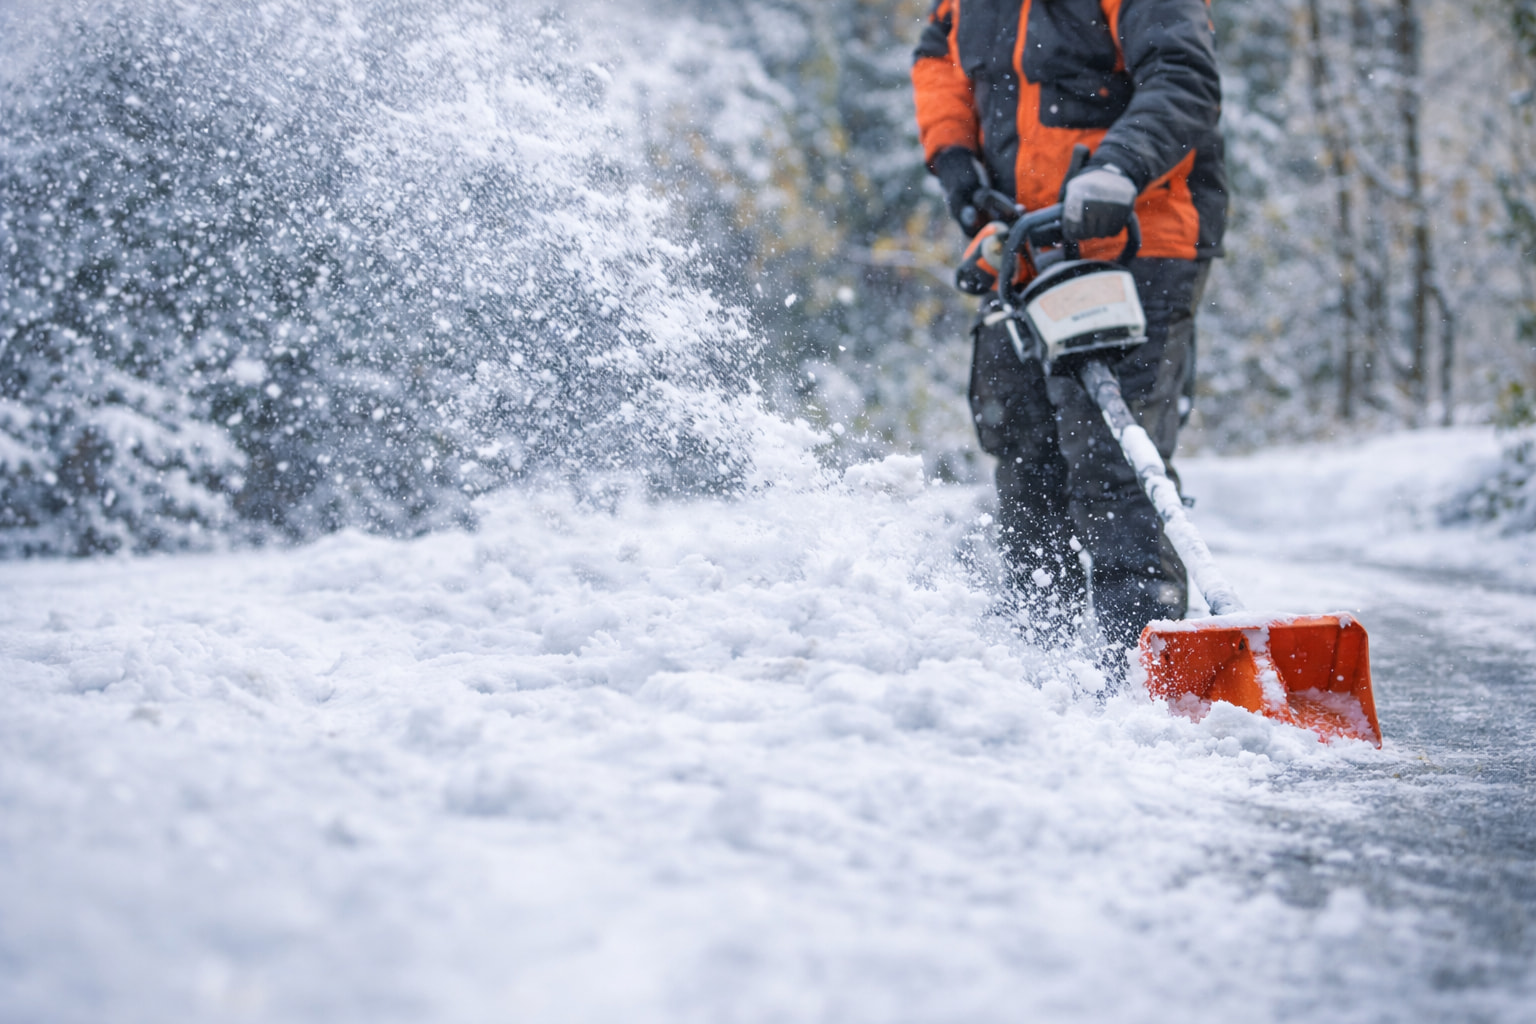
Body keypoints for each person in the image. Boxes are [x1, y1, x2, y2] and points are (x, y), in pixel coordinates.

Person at [912, 0, 1227, 651]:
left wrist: (1119, 166)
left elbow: (1183, 75)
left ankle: (1143, 674)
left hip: (1138, 238)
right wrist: (958, 168)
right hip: (1024, 244)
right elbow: (939, 64)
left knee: (1112, 468)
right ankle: (1043, 668)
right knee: (1025, 456)